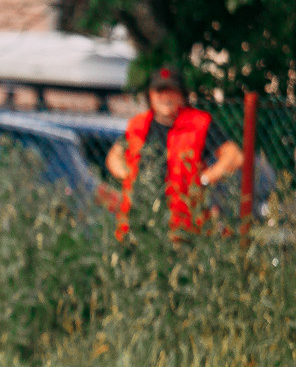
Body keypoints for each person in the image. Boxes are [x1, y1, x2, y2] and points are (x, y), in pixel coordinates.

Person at [104, 65, 244, 239]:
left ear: (182, 95)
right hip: (139, 221)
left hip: (184, 225)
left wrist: (205, 179)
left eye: (171, 91)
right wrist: (127, 174)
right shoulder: (139, 125)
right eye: (159, 91)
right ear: (150, 95)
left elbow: (234, 156)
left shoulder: (198, 124)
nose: (165, 97)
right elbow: (114, 156)